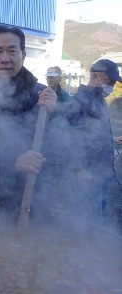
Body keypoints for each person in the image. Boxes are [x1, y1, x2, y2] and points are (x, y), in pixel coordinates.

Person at [0, 24, 74, 227]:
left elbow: (63, 145)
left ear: (23, 55)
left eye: (12, 50)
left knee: (33, 253)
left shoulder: (42, 95)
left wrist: (54, 113)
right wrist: (13, 160)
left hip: (34, 198)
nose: (5, 58)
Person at [65, 60, 118, 222]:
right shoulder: (79, 101)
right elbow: (68, 135)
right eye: (110, 81)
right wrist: (79, 168)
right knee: (86, 220)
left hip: (99, 173)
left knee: (98, 217)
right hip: (86, 175)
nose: (113, 86)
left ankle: (94, 245)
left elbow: (93, 132)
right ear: (95, 76)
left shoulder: (98, 100)